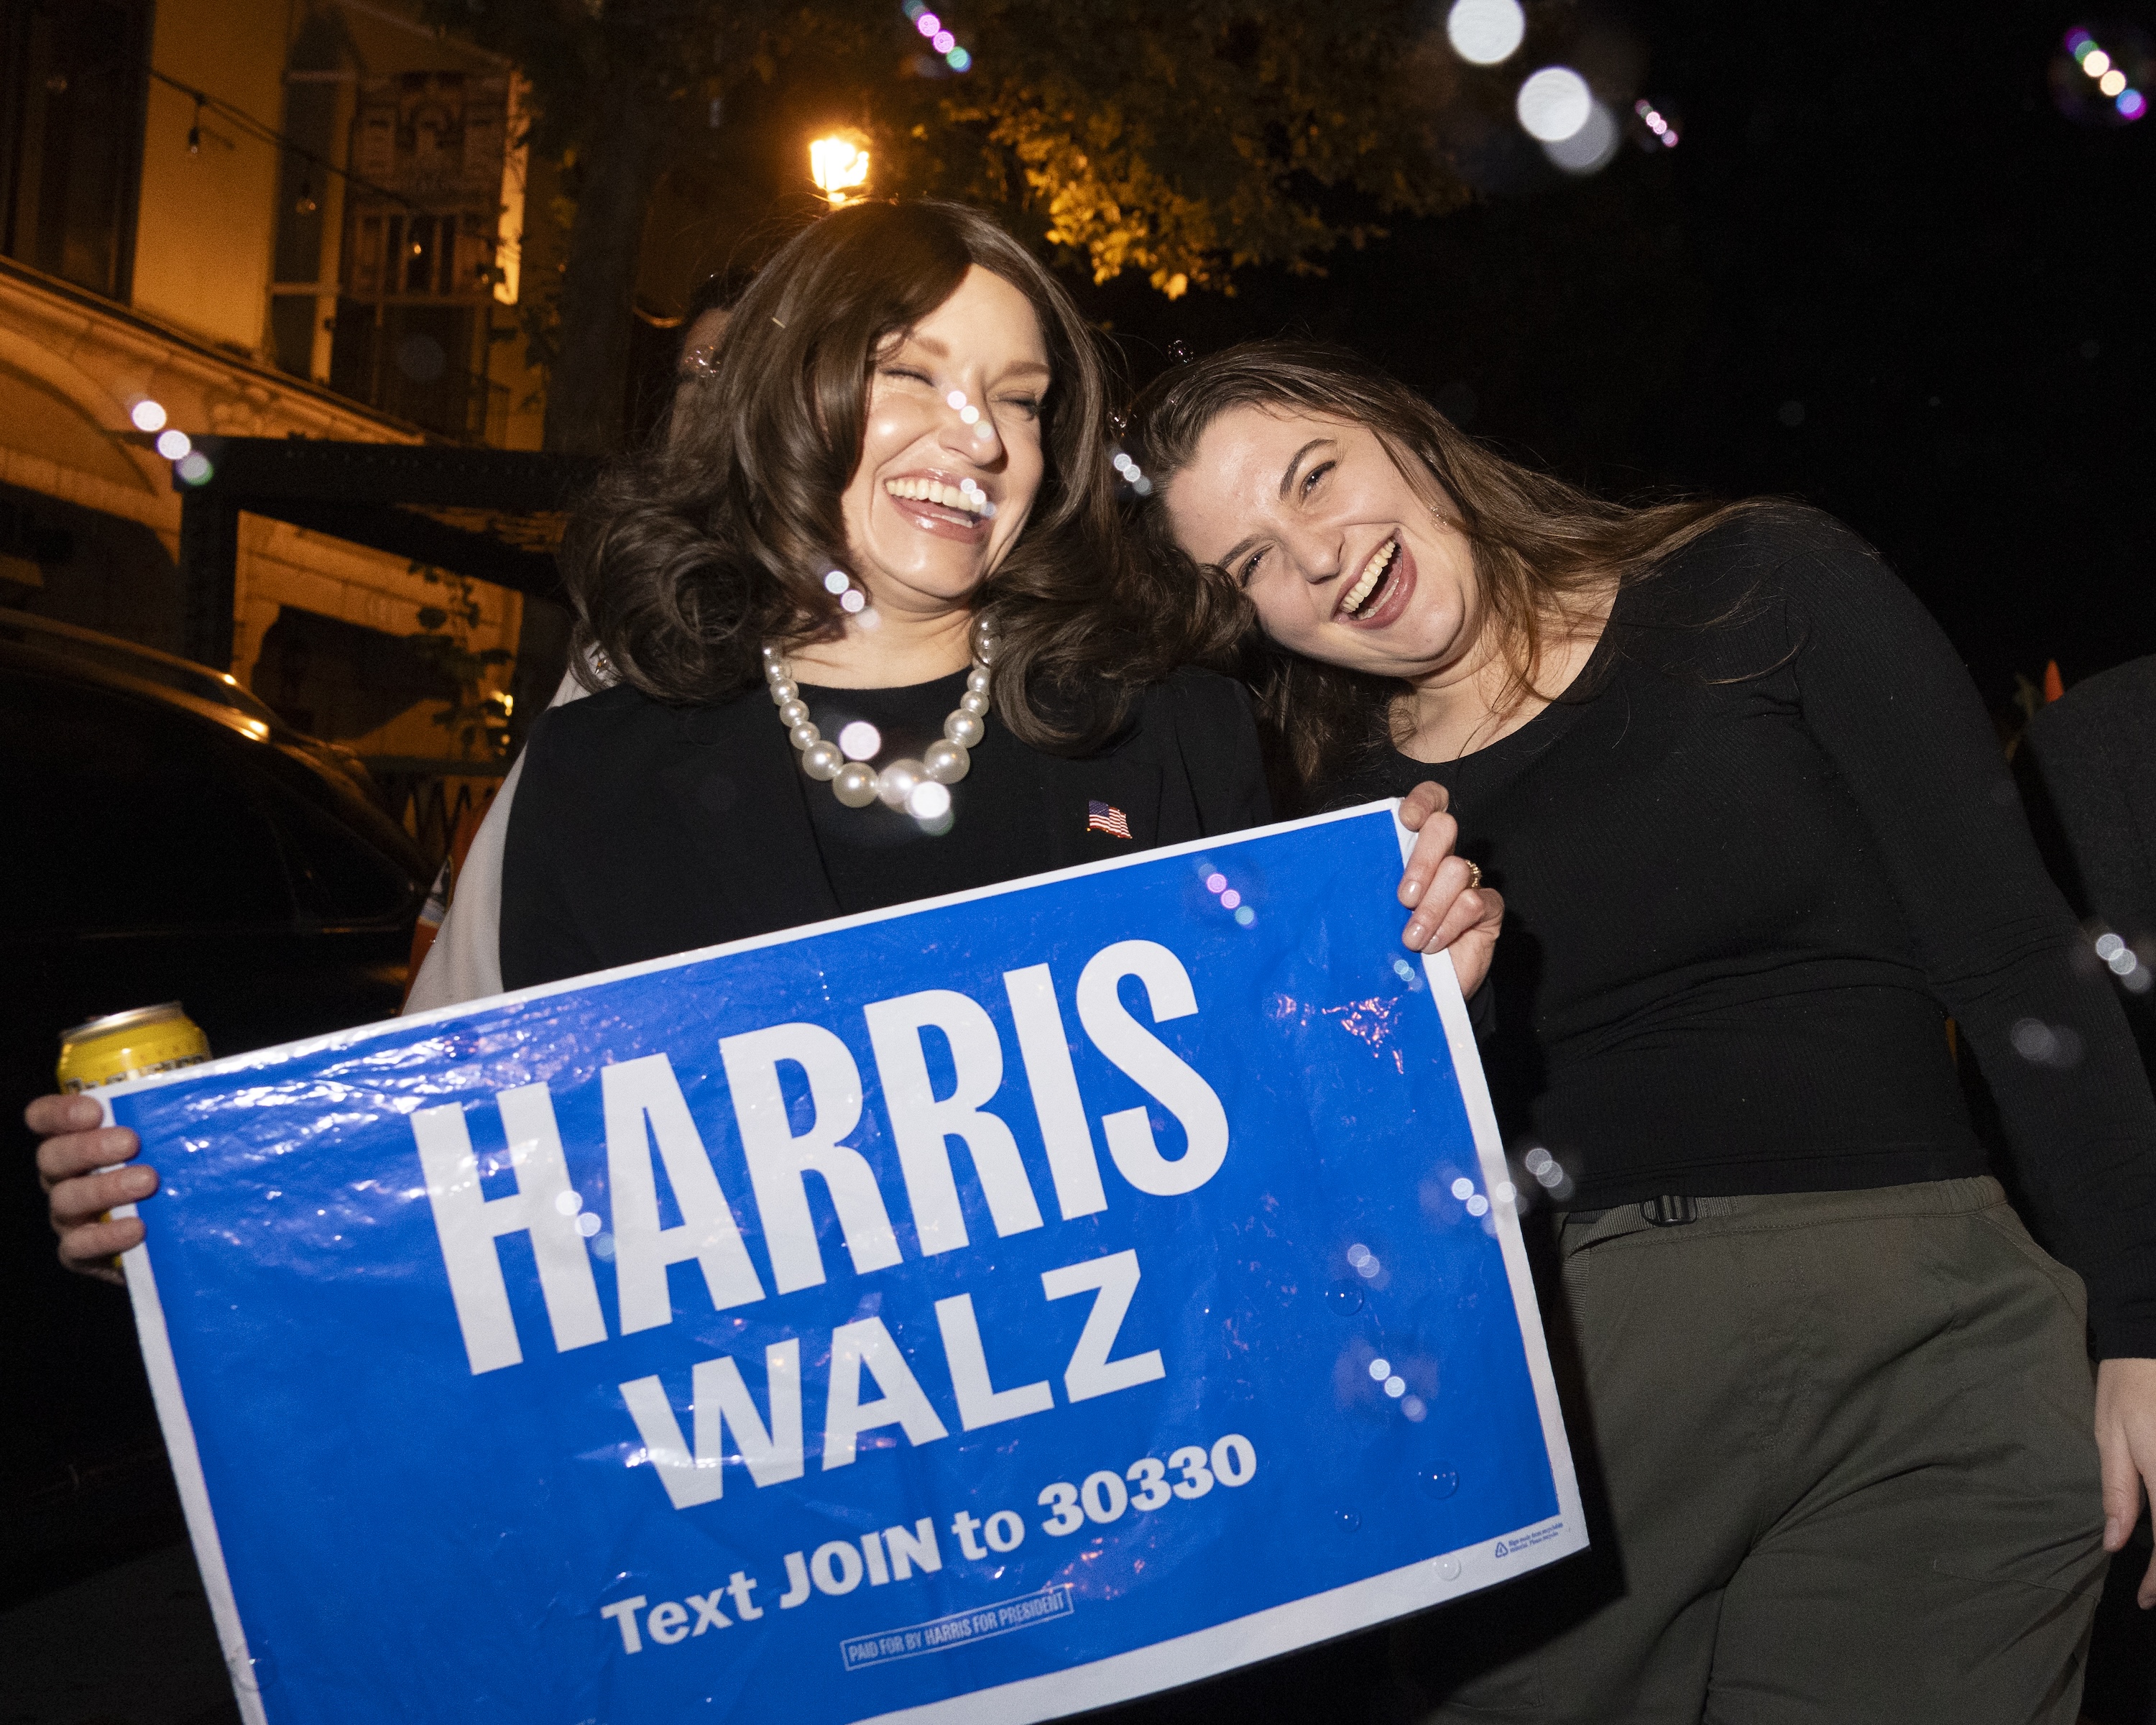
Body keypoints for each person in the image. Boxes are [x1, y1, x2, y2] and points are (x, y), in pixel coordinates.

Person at [33, 215, 1493, 1330]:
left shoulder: (1176, 737)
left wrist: (1414, 995)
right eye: (907, 374)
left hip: (1145, 1537)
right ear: (787, 394)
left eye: (1023, 397)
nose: (975, 437)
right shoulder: (600, 779)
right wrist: (207, 1212)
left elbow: (1307, 1149)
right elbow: (517, 1210)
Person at [1123, 340, 2156, 1722]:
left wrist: (2146, 1319)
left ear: (1411, 436)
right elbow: (1373, 1211)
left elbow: (2018, 954)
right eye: (1252, 562)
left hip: (1930, 1337)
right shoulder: (1339, 834)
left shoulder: (1759, 586)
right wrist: (1441, 998)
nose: (1317, 555)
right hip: (1579, 1410)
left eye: (1319, 476)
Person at [402, 267, 755, 1010]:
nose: (711, 404)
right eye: (696, 379)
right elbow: (472, 978)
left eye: (747, 374)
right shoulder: (620, 666)